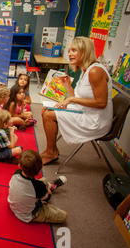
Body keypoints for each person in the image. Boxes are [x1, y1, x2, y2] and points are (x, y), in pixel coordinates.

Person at [40, 37, 113, 165]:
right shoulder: (85, 70)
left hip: (95, 120)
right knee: (45, 110)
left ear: (84, 52)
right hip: (86, 112)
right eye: (69, 50)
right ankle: (51, 150)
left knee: (48, 115)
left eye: (74, 50)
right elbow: (80, 98)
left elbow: (101, 103)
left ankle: (51, 153)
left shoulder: (95, 71)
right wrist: (68, 85)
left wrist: (71, 99)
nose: (70, 54)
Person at [8, 150, 68, 224]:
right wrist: (48, 192)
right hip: (29, 214)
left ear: (19, 166)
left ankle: (51, 186)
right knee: (64, 215)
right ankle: (52, 187)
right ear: (41, 167)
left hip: (13, 206)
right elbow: (47, 198)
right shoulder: (38, 186)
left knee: (42, 182)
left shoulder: (16, 173)